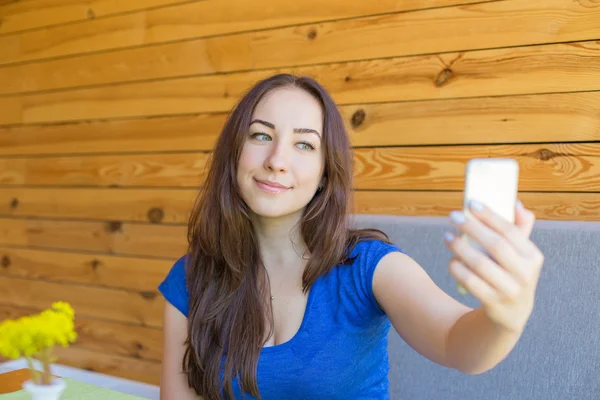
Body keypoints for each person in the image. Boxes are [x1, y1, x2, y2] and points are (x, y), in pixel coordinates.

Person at [158, 74, 544, 400]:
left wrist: (506, 317)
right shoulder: (190, 277)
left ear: (326, 171)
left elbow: (458, 344)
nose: (277, 159)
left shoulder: (370, 268)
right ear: (234, 152)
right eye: (261, 136)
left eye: (304, 144)